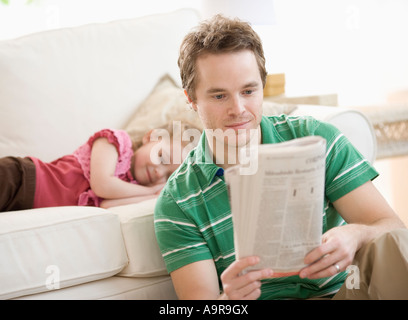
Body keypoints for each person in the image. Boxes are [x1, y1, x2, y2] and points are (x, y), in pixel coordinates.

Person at [154, 15, 408, 300]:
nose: (238, 109)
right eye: (219, 96)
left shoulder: (316, 138)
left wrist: (355, 236)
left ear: (263, 86)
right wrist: (229, 300)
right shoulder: (177, 202)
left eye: (248, 91)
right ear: (191, 99)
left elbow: (392, 230)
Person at [0, 121, 198, 212]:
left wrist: (156, 196)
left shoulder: (131, 187)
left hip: (24, 208)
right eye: (162, 158)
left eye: (168, 176)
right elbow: (102, 185)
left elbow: (107, 205)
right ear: (151, 137)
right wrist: (153, 189)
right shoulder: (116, 142)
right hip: (22, 179)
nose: (158, 172)